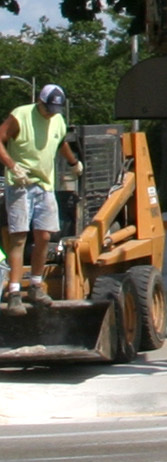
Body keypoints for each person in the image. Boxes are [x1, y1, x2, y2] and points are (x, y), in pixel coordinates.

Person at [0, 85, 82, 312]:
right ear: (39, 101)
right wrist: (13, 166)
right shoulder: (20, 116)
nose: (51, 112)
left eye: (55, 109)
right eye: (48, 108)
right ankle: (15, 291)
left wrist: (74, 163)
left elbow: (60, 142)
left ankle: (36, 285)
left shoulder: (57, 120)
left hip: (45, 186)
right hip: (21, 185)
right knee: (19, 237)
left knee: (45, 235)